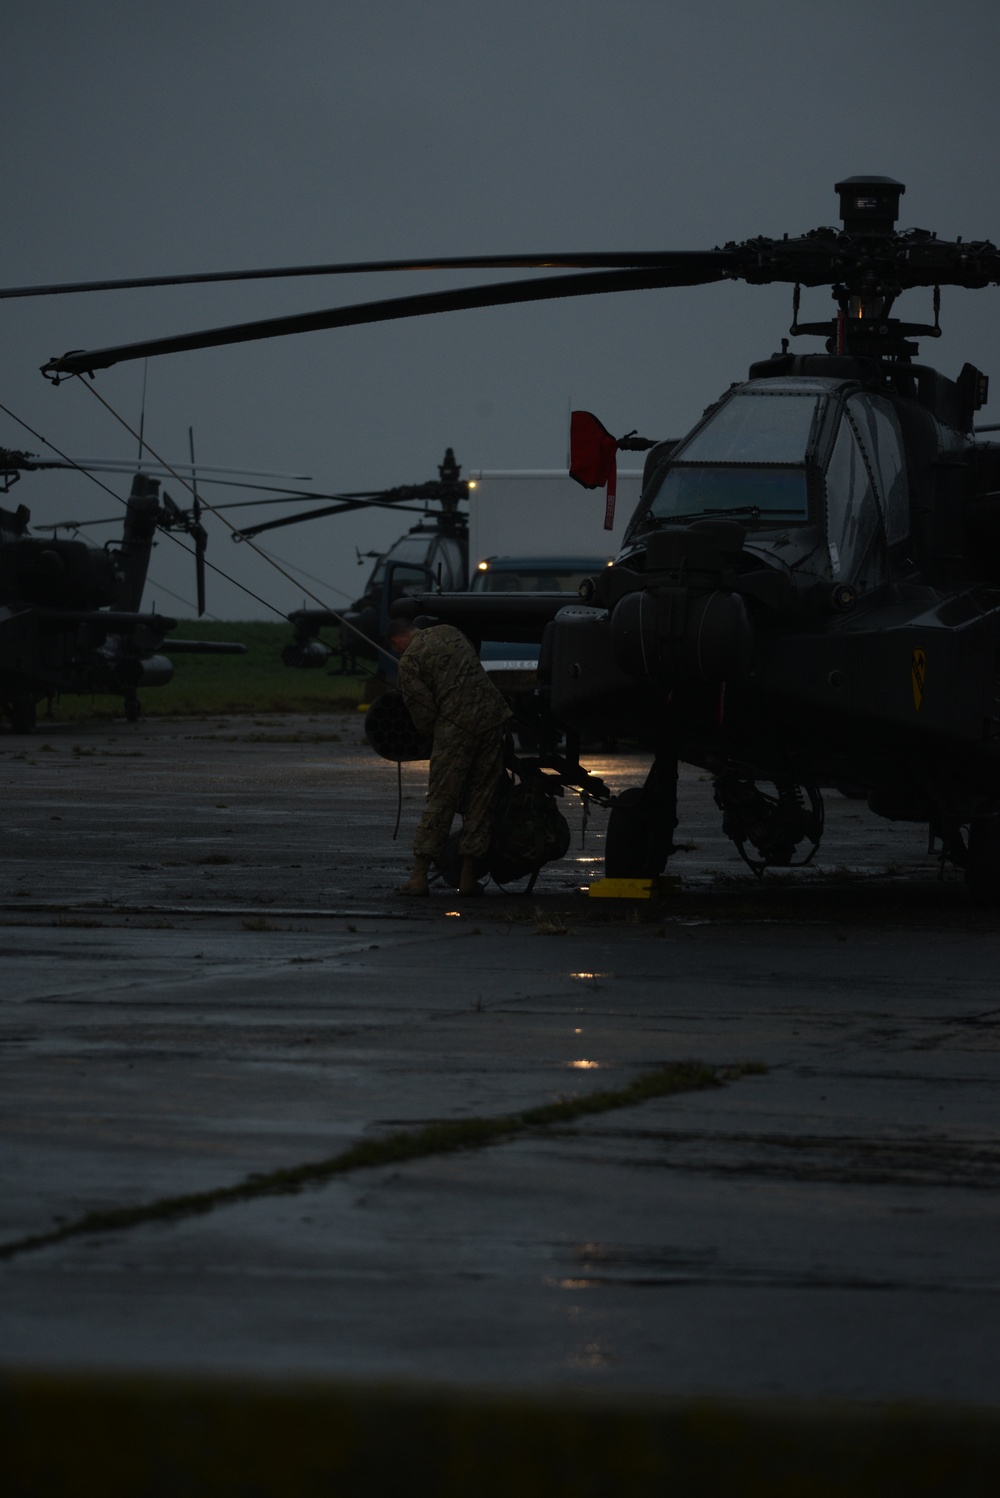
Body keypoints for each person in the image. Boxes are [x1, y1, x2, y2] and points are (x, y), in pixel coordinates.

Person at [386, 616, 512, 897]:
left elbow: (424, 714)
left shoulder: (409, 661)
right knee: (482, 799)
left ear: (397, 642)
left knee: (442, 798)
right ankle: (468, 878)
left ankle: (419, 876)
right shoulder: (451, 631)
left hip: (455, 727)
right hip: (493, 718)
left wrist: (434, 739)